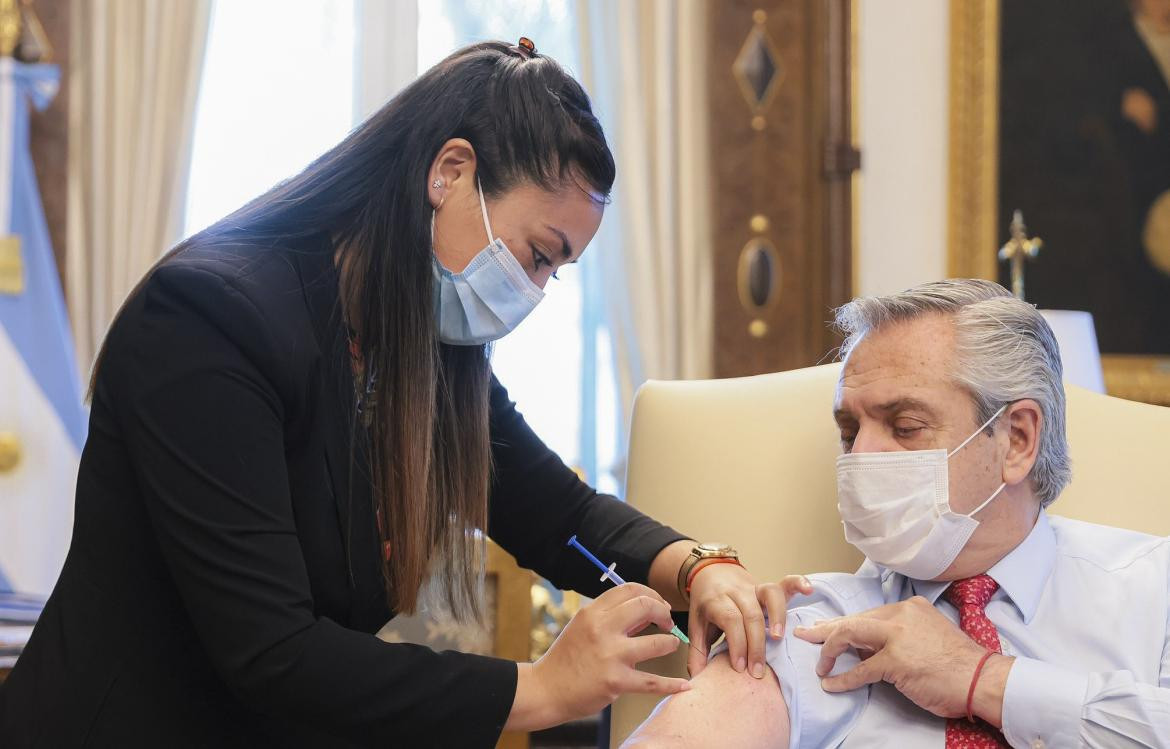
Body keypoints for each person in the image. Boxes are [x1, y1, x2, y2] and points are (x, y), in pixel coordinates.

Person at [0, 40, 792, 747]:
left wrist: (697, 567)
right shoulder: (208, 321)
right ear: (450, 173)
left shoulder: (429, 348)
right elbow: (274, 654)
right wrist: (540, 685)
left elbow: (562, 515)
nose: (535, 291)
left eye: (556, 271)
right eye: (537, 255)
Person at [626, 279, 1170, 748]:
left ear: (1018, 440)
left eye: (905, 426)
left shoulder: (1155, 587)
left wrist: (982, 678)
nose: (860, 456)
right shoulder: (813, 623)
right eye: (848, 431)